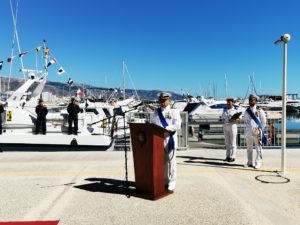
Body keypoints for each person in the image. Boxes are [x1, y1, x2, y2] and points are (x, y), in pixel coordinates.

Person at [151, 92, 182, 192]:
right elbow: (153, 124)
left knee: (171, 161)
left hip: (170, 137)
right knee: (163, 161)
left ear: (169, 100)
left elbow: (178, 125)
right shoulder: (156, 112)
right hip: (159, 138)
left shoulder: (174, 111)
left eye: (164, 100)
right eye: (161, 100)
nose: (163, 102)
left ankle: (172, 182)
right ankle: (165, 181)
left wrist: (166, 128)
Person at [244, 94, 266, 169]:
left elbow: (264, 121)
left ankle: (258, 162)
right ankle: (249, 162)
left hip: (257, 130)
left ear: (256, 101)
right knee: (249, 148)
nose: (251, 101)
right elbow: (246, 121)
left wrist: (261, 130)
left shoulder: (259, 110)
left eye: (252, 100)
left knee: (258, 148)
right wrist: (247, 128)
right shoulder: (246, 111)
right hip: (249, 131)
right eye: (250, 100)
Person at [222, 98, 240, 162]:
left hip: (232, 126)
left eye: (229, 102)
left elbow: (239, 120)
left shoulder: (235, 110)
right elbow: (223, 118)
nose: (228, 103)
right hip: (226, 126)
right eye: (227, 102)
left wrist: (233, 120)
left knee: (233, 142)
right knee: (227, 143)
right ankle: (228, 156)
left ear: (232, 103)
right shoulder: (224, 110)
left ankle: (233, 156)